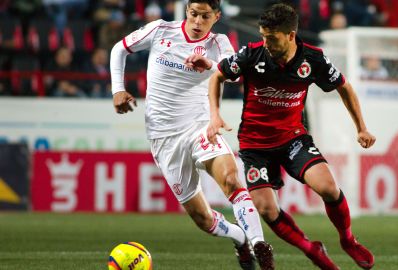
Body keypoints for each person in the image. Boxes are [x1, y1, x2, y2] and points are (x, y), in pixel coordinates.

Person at [207, 3, 375, 270]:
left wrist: (362, 128)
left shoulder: (312, 59)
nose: (266, 43)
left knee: (329, 188)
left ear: (290, 35)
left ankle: (348, 240)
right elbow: (218, 76)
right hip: (255, 145)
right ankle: (311, 249)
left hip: (293, 140)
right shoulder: (251, 55)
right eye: (263, 36)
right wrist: (214, 115)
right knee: (266, 210)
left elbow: (344, 87)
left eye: (271, 38)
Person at [109, 1, 274, 269]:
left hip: (200, 127)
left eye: (205, 16)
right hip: (164, 138)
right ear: (187, 12)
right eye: (193, 14)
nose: (198, 22)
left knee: (232, 180)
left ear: (216, 17)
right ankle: (241, 239)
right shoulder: (160, 30)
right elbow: (119, 49)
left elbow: (232, 74)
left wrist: (208, 64)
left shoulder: (218, 43)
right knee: (202, 218)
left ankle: (259, 245)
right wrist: (118, 89)